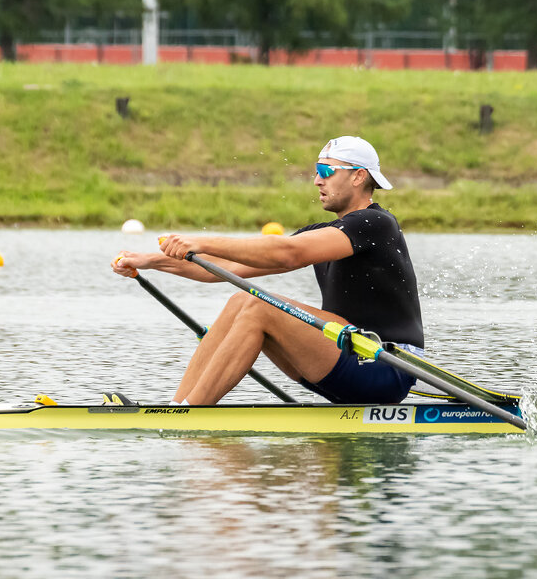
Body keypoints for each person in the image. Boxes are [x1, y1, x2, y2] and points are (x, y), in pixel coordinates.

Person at [112, 136, 424, 405]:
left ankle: (190, 413)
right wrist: (150, 261)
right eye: (317, 172)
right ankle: (177, 405)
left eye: (326, 171)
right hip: (348, 357)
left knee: (258, 306)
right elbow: (224, 269)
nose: (317, 180)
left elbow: (289, 254)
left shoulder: (376, 224)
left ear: (358, 177)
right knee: (240, 302)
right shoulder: (327, 231)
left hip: (387, 366)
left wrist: (201, 240)